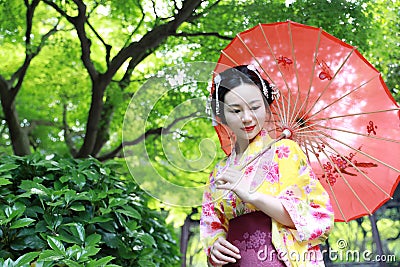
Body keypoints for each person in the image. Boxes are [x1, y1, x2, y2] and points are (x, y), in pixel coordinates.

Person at [200, 65, 334, 266]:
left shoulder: (285, 151)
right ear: (222, 115)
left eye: (254, 107)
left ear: (266, 105)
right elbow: (213, 225)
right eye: (235, 110)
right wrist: (215, 245)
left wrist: (252, 195)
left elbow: (310, 216)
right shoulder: (219, 172)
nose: (247, 118)